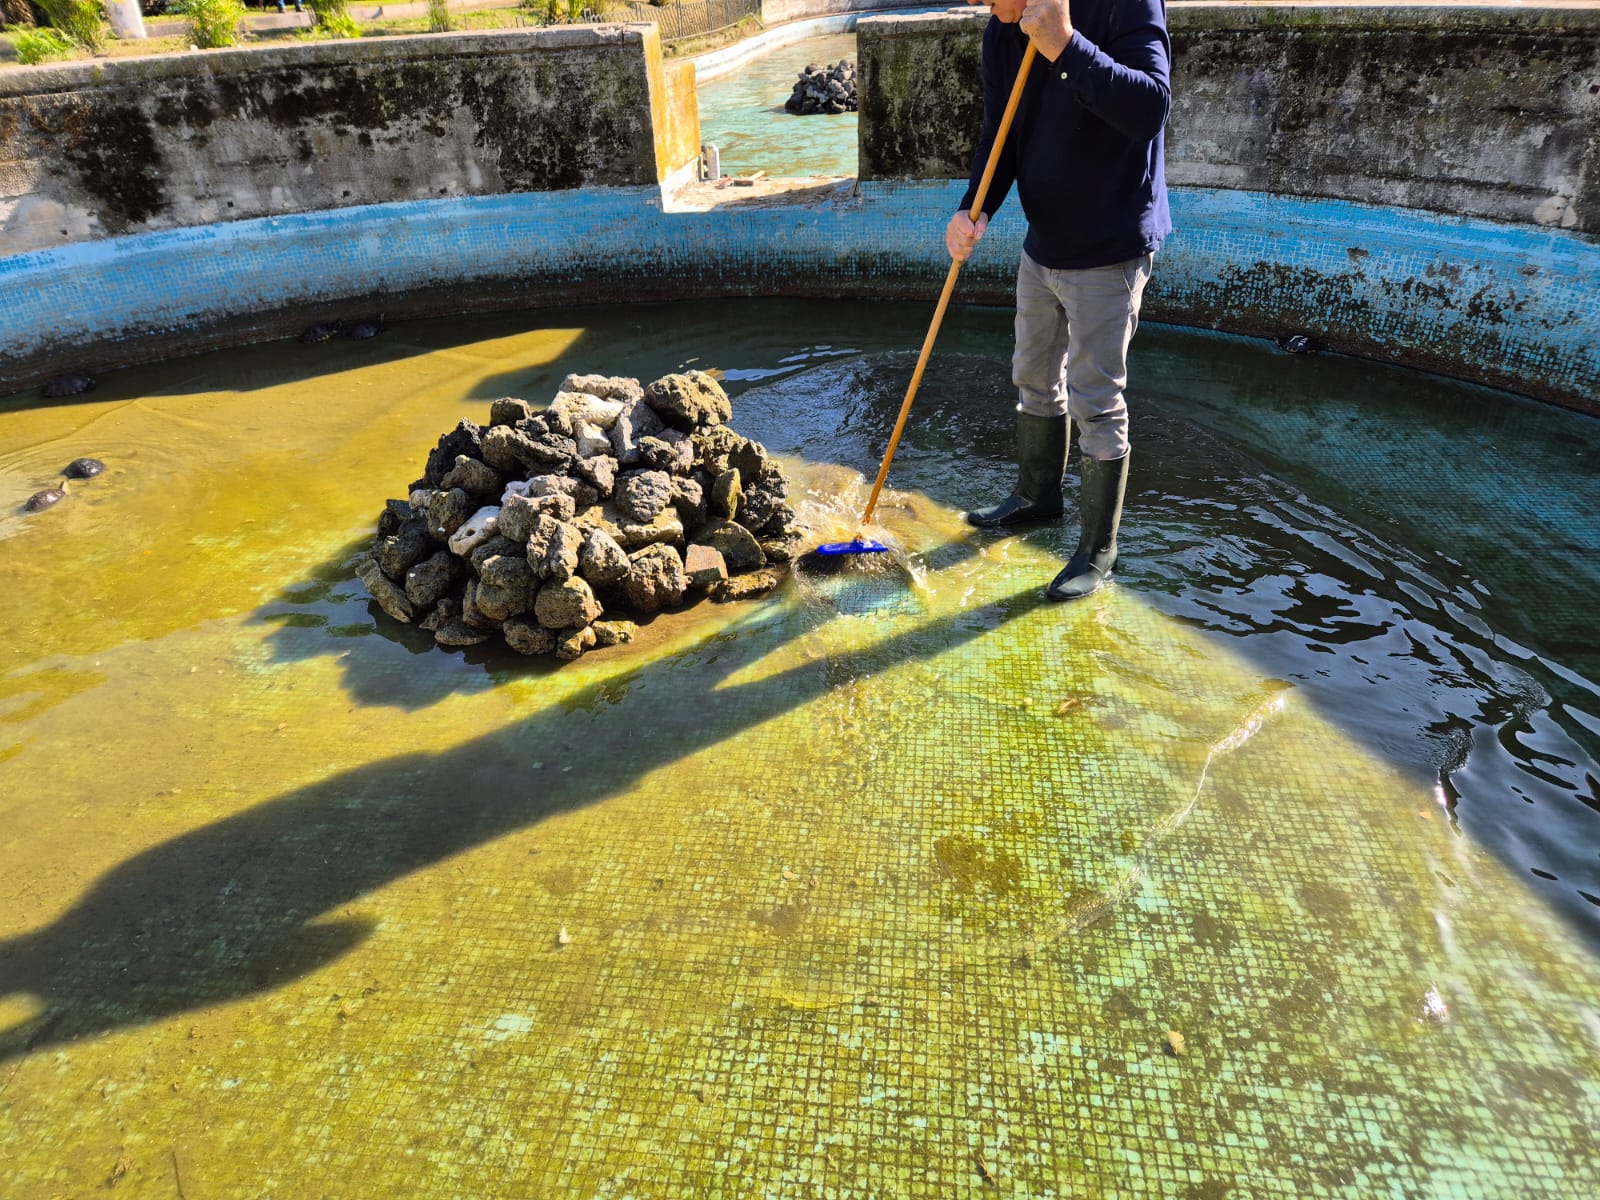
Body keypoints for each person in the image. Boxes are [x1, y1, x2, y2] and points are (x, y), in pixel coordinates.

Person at [951, 0, 1171, 600]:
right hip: (1043, 242)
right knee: (1033, 375)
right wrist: (974, 208)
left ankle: (1099, 549)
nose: (985, 9)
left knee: (1095, 399)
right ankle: (1036, 495)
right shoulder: (1003, 29)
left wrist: (1065, 46)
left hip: (1109, 248)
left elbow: (1149, 109)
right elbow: (1000, 133)